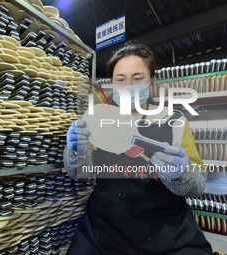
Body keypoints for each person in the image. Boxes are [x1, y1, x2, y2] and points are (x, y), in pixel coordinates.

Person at [64, 41, 213, 255]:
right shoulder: (98, 118)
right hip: (104, 229)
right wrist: (75, 152)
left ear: (151, 81)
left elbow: (196, 187)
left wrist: (181, 174)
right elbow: (77, 173)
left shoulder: (175, 121)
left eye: (137, 78)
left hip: (168, 233)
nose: (128, 86)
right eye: (120, 79)